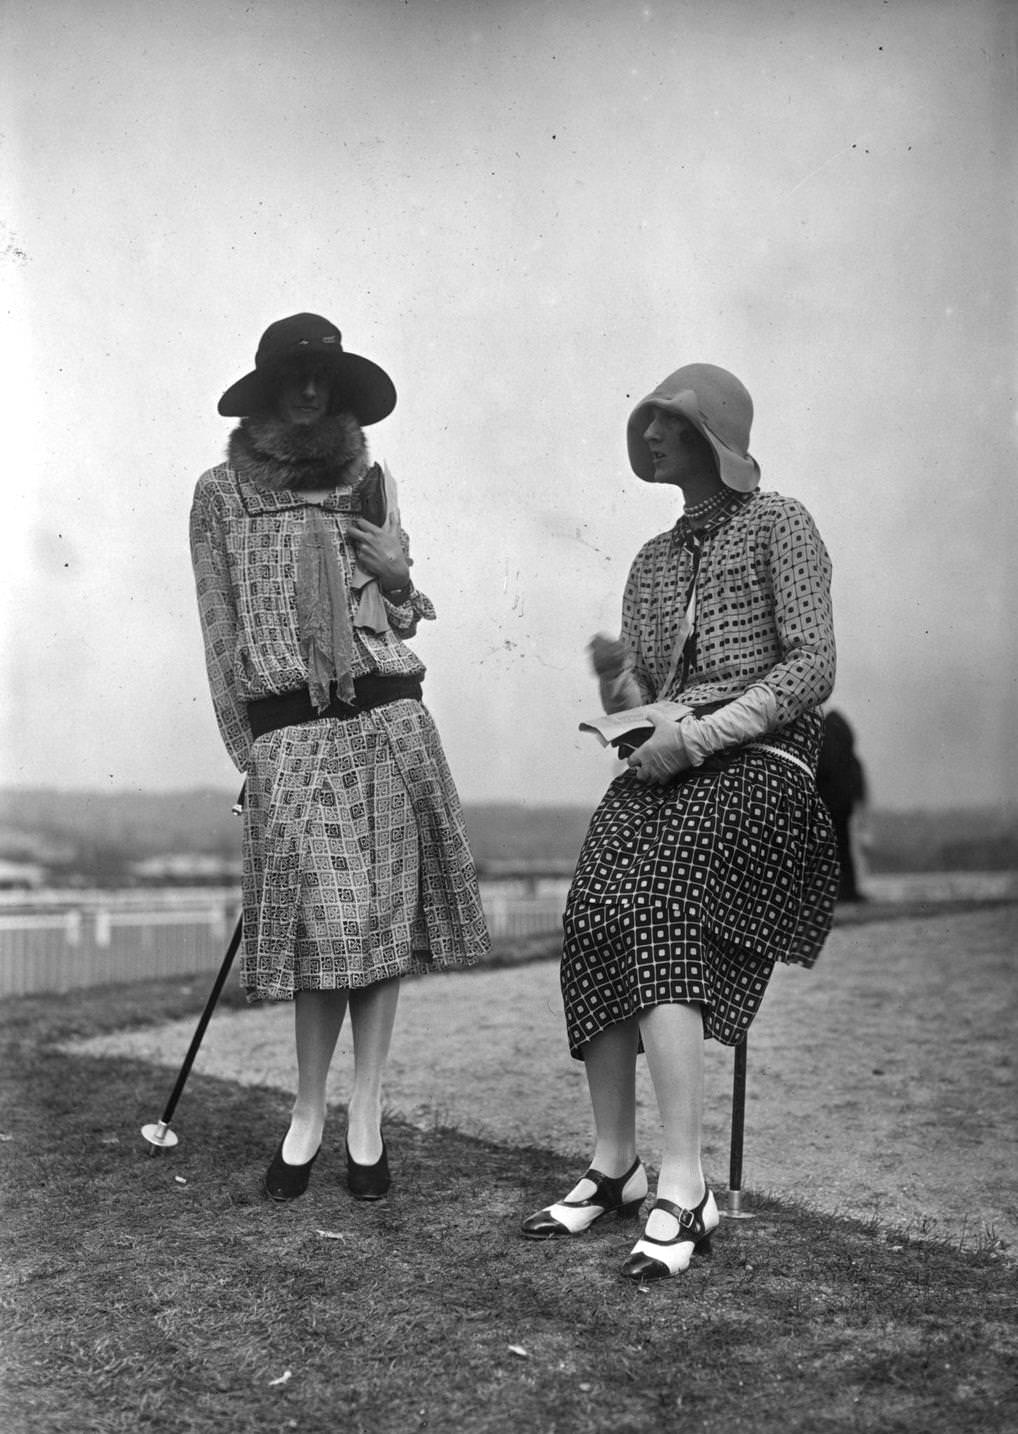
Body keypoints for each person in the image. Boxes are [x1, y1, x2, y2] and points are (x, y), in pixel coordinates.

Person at [520, 363, 839, 1280]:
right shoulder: (653, 560)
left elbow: (811, 668)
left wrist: (700, 737)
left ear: (713, 436)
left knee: (662, 899)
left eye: (668, 421)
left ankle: (685, 1182)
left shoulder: (782, 522)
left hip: (764, 757)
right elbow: (653, 703)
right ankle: (615, 1164)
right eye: (647, 421)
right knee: (592, 909)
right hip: (675, 754)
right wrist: (621, 689)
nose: (649, 435)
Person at [190, 312, 490, 1203]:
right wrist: (254, 754)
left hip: (386, 722)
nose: (312, 390)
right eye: (296, 375)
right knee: (319, 927)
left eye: (326, 376)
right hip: (292, 734)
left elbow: (397, 616)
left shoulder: (370, 481)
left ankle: (366, 1109)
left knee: (381, 924)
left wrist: (399, 574)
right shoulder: (221, 493)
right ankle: (307, 1113)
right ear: (270, 387)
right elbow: (219, 631)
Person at [817, 709, 868, 902]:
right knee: (843, 848)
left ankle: (832, 891)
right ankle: (847, 889)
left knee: (830, 850)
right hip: (843, 806)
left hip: (828, 805)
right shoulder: (850, 758)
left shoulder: (825, 748)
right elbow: (858, 785)